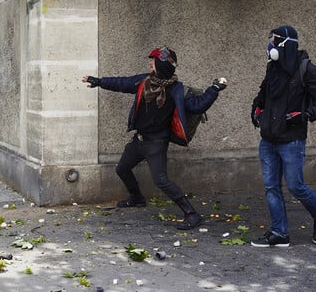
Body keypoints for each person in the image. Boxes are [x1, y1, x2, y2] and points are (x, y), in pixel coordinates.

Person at [82, 47, 227, 230]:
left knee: (161, 180)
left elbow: (198, 106)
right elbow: (122, 83)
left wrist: (214, 88)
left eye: (153, 61)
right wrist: (99, 81)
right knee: (122, 168)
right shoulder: (144, 81)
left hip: (156, 143)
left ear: (163, 65)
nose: (150, 63)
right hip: (140, 140)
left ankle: (192, 214)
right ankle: (137, 198)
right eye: (150, 61)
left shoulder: (177, 90)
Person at [250, 25, 316, 247]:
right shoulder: (273, 67)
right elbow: (264, 93)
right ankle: (280, 233)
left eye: (274, 39)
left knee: (296, 186)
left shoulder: (305, 69)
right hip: (268, 138)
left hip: (292, 140)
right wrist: (256, 108)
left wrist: (305, 115)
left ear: (286, 44)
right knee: (271, 187)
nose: (270, 44)